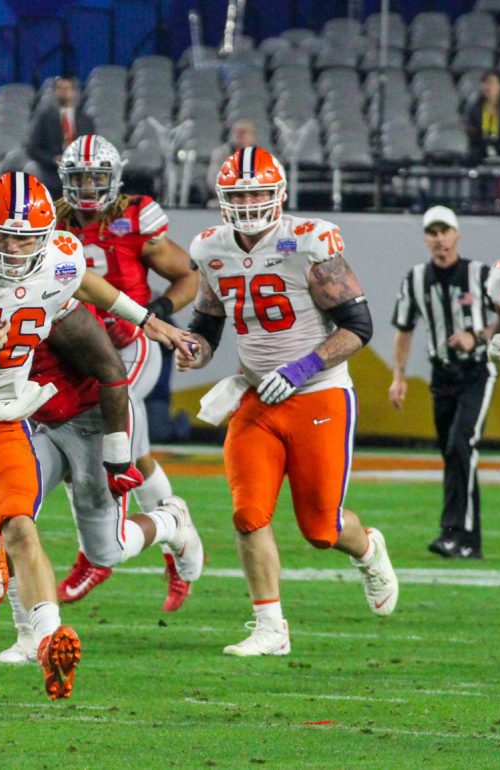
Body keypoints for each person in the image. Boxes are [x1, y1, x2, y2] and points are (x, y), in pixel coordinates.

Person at [0, 171, 190, 698]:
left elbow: (88, 284)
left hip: (5, 419)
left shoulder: (59, 256)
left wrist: (146, 320)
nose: (15, 245)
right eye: (3, 234)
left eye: (27, 236)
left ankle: (47, 641)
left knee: (21, 525)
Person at [177, 147, 399, 656]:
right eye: (240, 194)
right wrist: (197, 349)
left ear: (278, 194)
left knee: (321, 528)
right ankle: (271, 628)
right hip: (256, 395)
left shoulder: (309, 241)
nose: (251, 202)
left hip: (318, 393)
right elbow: (209, 321)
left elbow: (359, 327)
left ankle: (368, 549)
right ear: (222, 200)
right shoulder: (210, 246)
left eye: (258, 191)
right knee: (248, 512)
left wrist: (302, 368)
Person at [0, 299, 205, 664]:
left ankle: (172, 521)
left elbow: (112, 371)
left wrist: (118, 455)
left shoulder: (54, 292)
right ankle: (28, 636)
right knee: (8, 515)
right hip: (37, 421)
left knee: (106, 550)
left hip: (93, 419)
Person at [52, 134, 200, 609]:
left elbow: (189, 275)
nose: (90, 187)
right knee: (134, 456)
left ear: (114, 179)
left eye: (98, 177)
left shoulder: (135, 218)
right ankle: (169, 530)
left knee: (101, 448)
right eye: (81, 178)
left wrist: (156, 309)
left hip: (128, 350)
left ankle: (98, 552)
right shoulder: (51, 221)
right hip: (74, 355)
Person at [389, 206, 496, 559]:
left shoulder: (481, 274)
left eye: (444, 231)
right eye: (432, 233)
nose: (439, 239)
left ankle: (453, 533)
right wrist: (399, 376)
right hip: (442, 376)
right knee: (455, 455)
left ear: (457, 234)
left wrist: (478, 336)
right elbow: (403, 330)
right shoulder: (416, 279)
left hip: (476, 371)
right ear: (426, 238)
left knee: (461, 444)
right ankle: (470, 543)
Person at [26, 76, 95, 197]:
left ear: (74, 92)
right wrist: (53, 159)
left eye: (67, 88)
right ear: (55, 92)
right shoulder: (44, 119)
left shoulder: (86, 120)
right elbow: (32, 149)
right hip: (51, 173)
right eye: (60, 88)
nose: (63, 91)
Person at [207, 120, 258, 192]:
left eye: (244, 132)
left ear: (253, 137)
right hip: (227, 196)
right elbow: (214, 180)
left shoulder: (262, 156)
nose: (240, 135)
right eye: (237, 132)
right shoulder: (220, 154)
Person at [464, 71, 500, 163]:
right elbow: (470, 128)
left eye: (491, 83)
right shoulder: (475, 106)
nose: (487, 87)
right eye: (484, 83)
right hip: (481, 148)